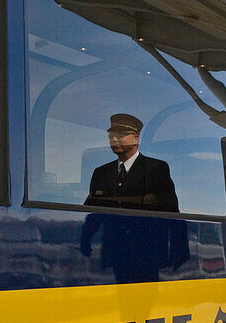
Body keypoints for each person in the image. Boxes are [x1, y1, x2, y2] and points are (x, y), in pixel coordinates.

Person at [80, 113, 186, 283]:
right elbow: (92, 212)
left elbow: (172, 212)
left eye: (120, 135)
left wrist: (179, 251)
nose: (114, 140)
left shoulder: (156, 169)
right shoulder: (101, 173)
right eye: (111, 136)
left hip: (146, 255)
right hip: (114, 254)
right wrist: (84, 240)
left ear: (135, 138)